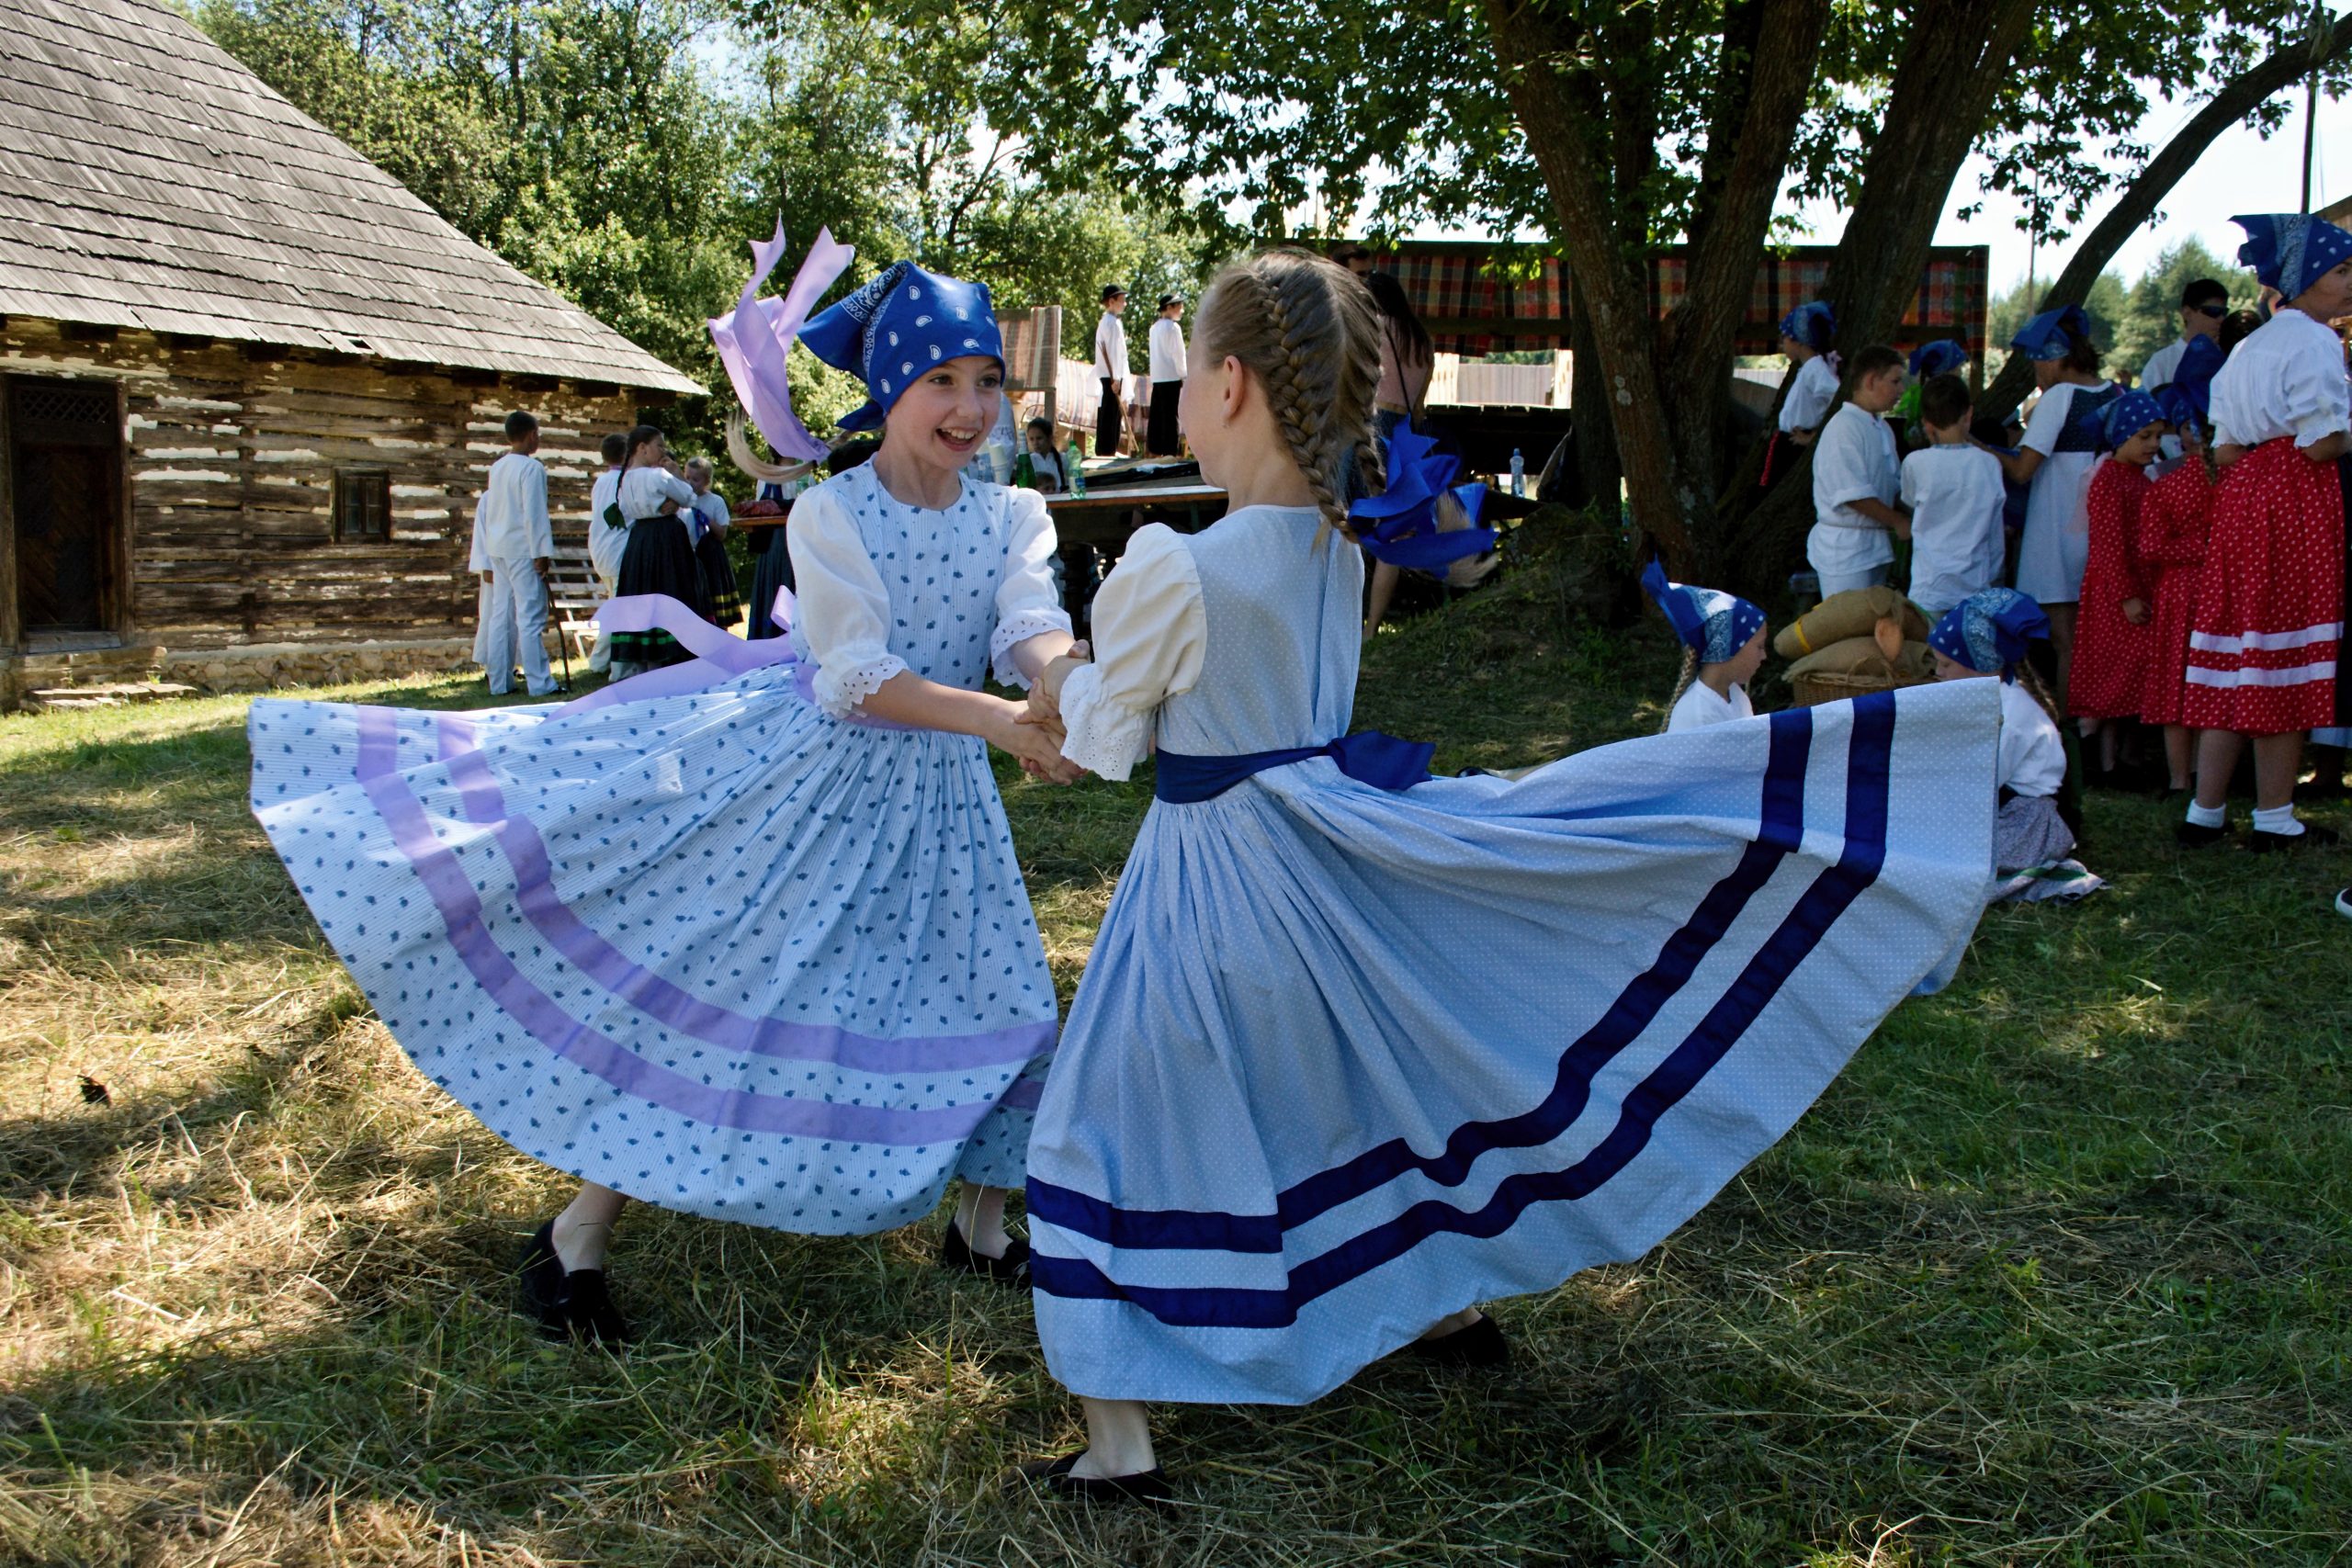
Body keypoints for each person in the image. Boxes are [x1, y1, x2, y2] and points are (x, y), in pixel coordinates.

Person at [1010, 247, 2004, 1503]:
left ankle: (1120, 1439)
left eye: (1190, 383)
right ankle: (1436, 1309)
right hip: (1326, 855)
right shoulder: (1338, 543)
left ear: (1227, 385)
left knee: (1096, 1121)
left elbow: (1108, 744)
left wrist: (1060, 672)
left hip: (1213, 880)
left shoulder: (1174, 561)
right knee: (1357, 1087)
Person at [246, 257, 1082, 1348]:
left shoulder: (1012, 512)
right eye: (941, 382)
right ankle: (575, 1234)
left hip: (945, 801)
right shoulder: (831, 513)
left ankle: (979, 1225)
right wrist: (1000, 720)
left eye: (986, 380)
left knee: (999, 988)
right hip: (819, 789)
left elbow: (1032, 624)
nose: (971, 409)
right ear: (888, 389)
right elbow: (854, 674)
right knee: (731, 998)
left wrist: (1067, 687)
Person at [2177, 213, 2352, 851]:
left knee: (2240, 652)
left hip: (2245, 494)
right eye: (2341, 270)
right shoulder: (2312, 341)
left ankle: (2206, 808)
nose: (2351, 282)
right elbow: (2320, 443)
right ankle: (2276, 816)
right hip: (2290, 498)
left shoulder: (2248, 346)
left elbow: (2223, 453)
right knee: (2281, 649)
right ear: (2305, 278)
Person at [1984, 305, 2120, 707]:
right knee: (2098, 637)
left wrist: (1976, 448)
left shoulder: (2060, 397)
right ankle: (2099, 724)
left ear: (2058, 358)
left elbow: (2024, 470)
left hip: (2057, 531)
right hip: (2102, 532)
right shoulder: (2115, 393)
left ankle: (2067, 727)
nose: (2037, 374)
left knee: (2067, 642)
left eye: (2038, 364)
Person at [1928, 589, 2101, 903]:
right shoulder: (1987, 699)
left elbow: (1980, 783)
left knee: (1942, 863)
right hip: (1997, 807)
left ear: (1981, 664)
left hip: (2024, 822)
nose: (1938, 672)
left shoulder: (2010, 716)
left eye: (1946, 665)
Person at [2067, 390, 2166, 780]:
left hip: (2135, 586)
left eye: (2158, 436)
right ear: (2121, 435)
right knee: (2114, 674)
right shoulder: (2110, 480)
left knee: (2132, 675)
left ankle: (2127, 758)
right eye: (2144, 436)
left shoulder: (2137, 478)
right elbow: (2108, 545)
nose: (2154, 445)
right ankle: (2105, 762)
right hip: (2115, 592)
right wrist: (2125, 596)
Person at [2139, 367, 2222, 795]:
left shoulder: (2167, 485)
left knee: (2175, 685)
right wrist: (2208, 549)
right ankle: (2214, 777)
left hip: (2178, 592)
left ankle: (2178, 779)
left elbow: (2151, 547)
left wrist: (2192, 548)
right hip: (2220, 590)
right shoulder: (2231, 481)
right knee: (2215, 682)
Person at [468, 411, 558, 699]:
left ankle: (499, 682)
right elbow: (534, 513)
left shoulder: (498, 467)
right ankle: (540, 683)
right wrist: (541, 551)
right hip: (521, 549)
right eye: (538, 434)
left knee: (500, 616)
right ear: (531, 435)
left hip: (499, 548)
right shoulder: (532, 469)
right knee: (529, 617)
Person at [1901, 372, 2007, 615]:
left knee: (1929, 652)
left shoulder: (1915, 463)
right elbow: (1995, 530)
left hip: (1929, 587)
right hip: (1976, 586)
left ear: (1927, 423)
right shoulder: (1989, 464)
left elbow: (1908, 501)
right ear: (1968, 414)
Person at [1807, 344, 1909, 596]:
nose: (1901, 390)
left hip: (1873, 546)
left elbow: (1892, 488)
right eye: (1895, 381)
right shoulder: (1843, 427)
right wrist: (1898, 521)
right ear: (1871, 380)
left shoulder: (1882, 428)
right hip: (1844, 551)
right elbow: (1852, 495)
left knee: (1870, 629)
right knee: (1845, 630)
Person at [605, 426, 707, 678]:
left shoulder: (626, 478)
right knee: (670, 590)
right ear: (642, 448)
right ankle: (673, 656)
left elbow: (627, 510)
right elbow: (689, 497)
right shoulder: (658, 476)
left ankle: (646, 661)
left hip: (640, 540)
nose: (662, 451)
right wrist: (675, 475)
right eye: (659, 445)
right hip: (665, 538)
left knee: (645, 592)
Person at [1642, 559, 1767, 732]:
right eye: (1759, 647)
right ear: (1730, 648)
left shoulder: (1736, 697)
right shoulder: (1698, 714)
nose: (1764, 656)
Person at [1366, 269, 1433, 445]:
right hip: (1407, 421)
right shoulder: (1421, 337)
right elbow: (1420, 400)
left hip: (1376, 417)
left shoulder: (1374, 326)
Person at [585, 432, 628, 675]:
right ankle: (608, 664)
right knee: (620, 608)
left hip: (601, 548)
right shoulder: (622, 480)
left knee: (615, 603)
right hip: (617, 548)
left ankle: (601, 661)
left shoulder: (600, 482)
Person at [2140, 277, 2231, 392]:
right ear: (2187, 313)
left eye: (2224, 312)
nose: (2221, 319)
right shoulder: (2161, 363)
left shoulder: (2228, 360)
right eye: (2213, 311)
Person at [1773, 303, 1841, 457]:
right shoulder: (1809, 368)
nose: (1782, 344)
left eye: (1784, 338)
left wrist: (1812, 437)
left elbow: (1836, 399)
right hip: (1790, 441)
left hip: (1797, 446)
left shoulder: (1815, 368)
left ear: (1798, 340)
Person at [682, 456, 741, 631]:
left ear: (707, 480)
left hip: (710, 556)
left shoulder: (716, 501)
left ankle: (720, 631)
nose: (691, 483)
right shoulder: (680, 500)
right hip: (689, 554)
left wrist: (704, 519)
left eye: (696, 479)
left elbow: (722, 533)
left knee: (715, 596)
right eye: (687, 478)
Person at [1147, 294, 1187, 456]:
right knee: (1171, 415)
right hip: (1171, 376)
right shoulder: (1173, 328)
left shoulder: (1154, 328)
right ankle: (1170, 451)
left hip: (1158, 377)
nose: (1181, 310)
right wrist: (1184, 374)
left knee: (1158, 414)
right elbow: (1178, 354)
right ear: (1169, 307)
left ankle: (1157, 447)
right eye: (1179, 306)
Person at [1094, 284, 1128, 457]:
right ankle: (1107, 449)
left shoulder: (1108, 322)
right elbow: (1114, 352)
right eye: (1121, 300)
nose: (1125, 304)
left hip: (1109, 375)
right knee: (1110, 414)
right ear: (1111, 301)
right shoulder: (1111, 323)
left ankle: (1106, 448)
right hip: (1111, 375)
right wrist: (1116, 378)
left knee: (1109, 412)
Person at [1023, 417, 1066, 493]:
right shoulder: (1028, 461)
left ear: (1050, 438)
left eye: (1039, 438)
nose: (1035, 443)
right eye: (1031, 439)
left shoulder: (1064, 459)